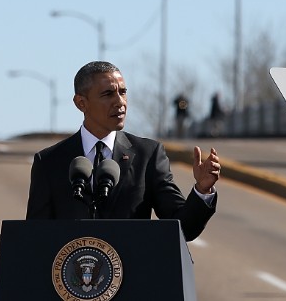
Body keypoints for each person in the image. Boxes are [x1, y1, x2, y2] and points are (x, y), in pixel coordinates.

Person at [25, 61, 221, 241]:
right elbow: (35, 234)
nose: (120, 102)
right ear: (81, 103)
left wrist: (202, 190)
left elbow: (182, 227)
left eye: (123, 92)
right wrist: (15, 244)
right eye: (108, 94)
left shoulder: (148, 155)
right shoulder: (49, 161)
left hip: (133, 276)